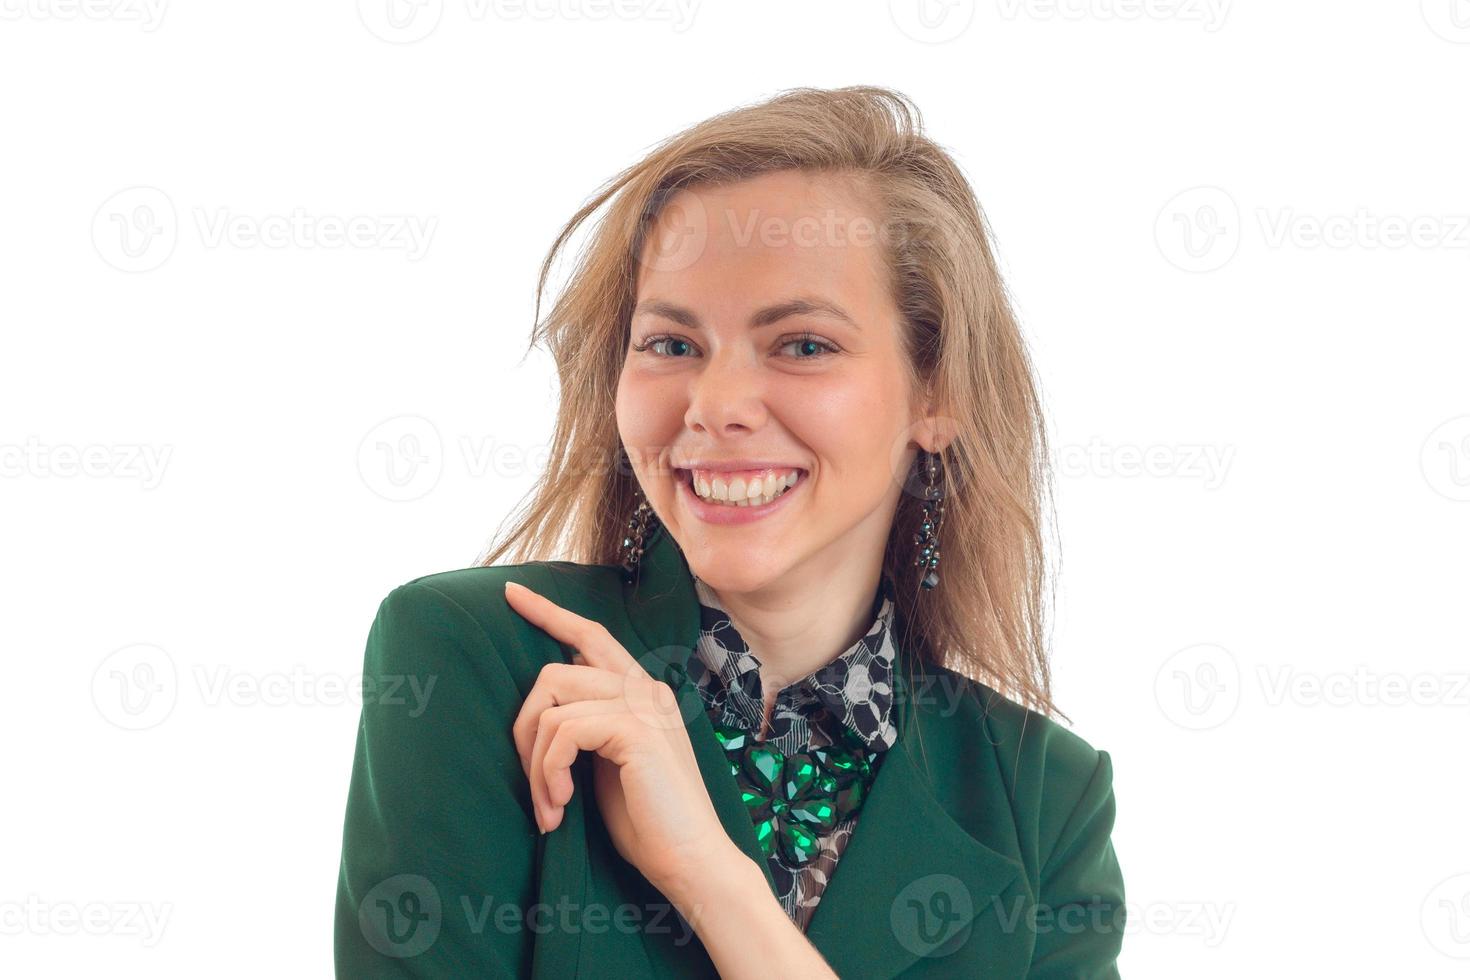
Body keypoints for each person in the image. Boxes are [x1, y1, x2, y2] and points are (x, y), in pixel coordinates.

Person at [334, 85, 1125, 978]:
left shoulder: (1044, 802)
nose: (713, 409)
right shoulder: (479, 660)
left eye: (802, 345)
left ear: (937, 393)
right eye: (671, 345)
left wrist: (715, 880)